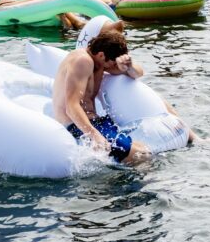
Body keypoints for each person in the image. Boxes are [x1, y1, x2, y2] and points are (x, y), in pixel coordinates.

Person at [52, 30, 151, 165]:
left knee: (144, 151)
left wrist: (128, 66)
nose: (113, 67)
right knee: (139, 157)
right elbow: (71, 106)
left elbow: (138, 74)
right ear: (101, 55)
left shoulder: (99, 62)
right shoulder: (82, 61)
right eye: (112, 63)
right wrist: (94, 135)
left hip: (96, 122)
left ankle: (117, 183)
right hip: (76, 125)